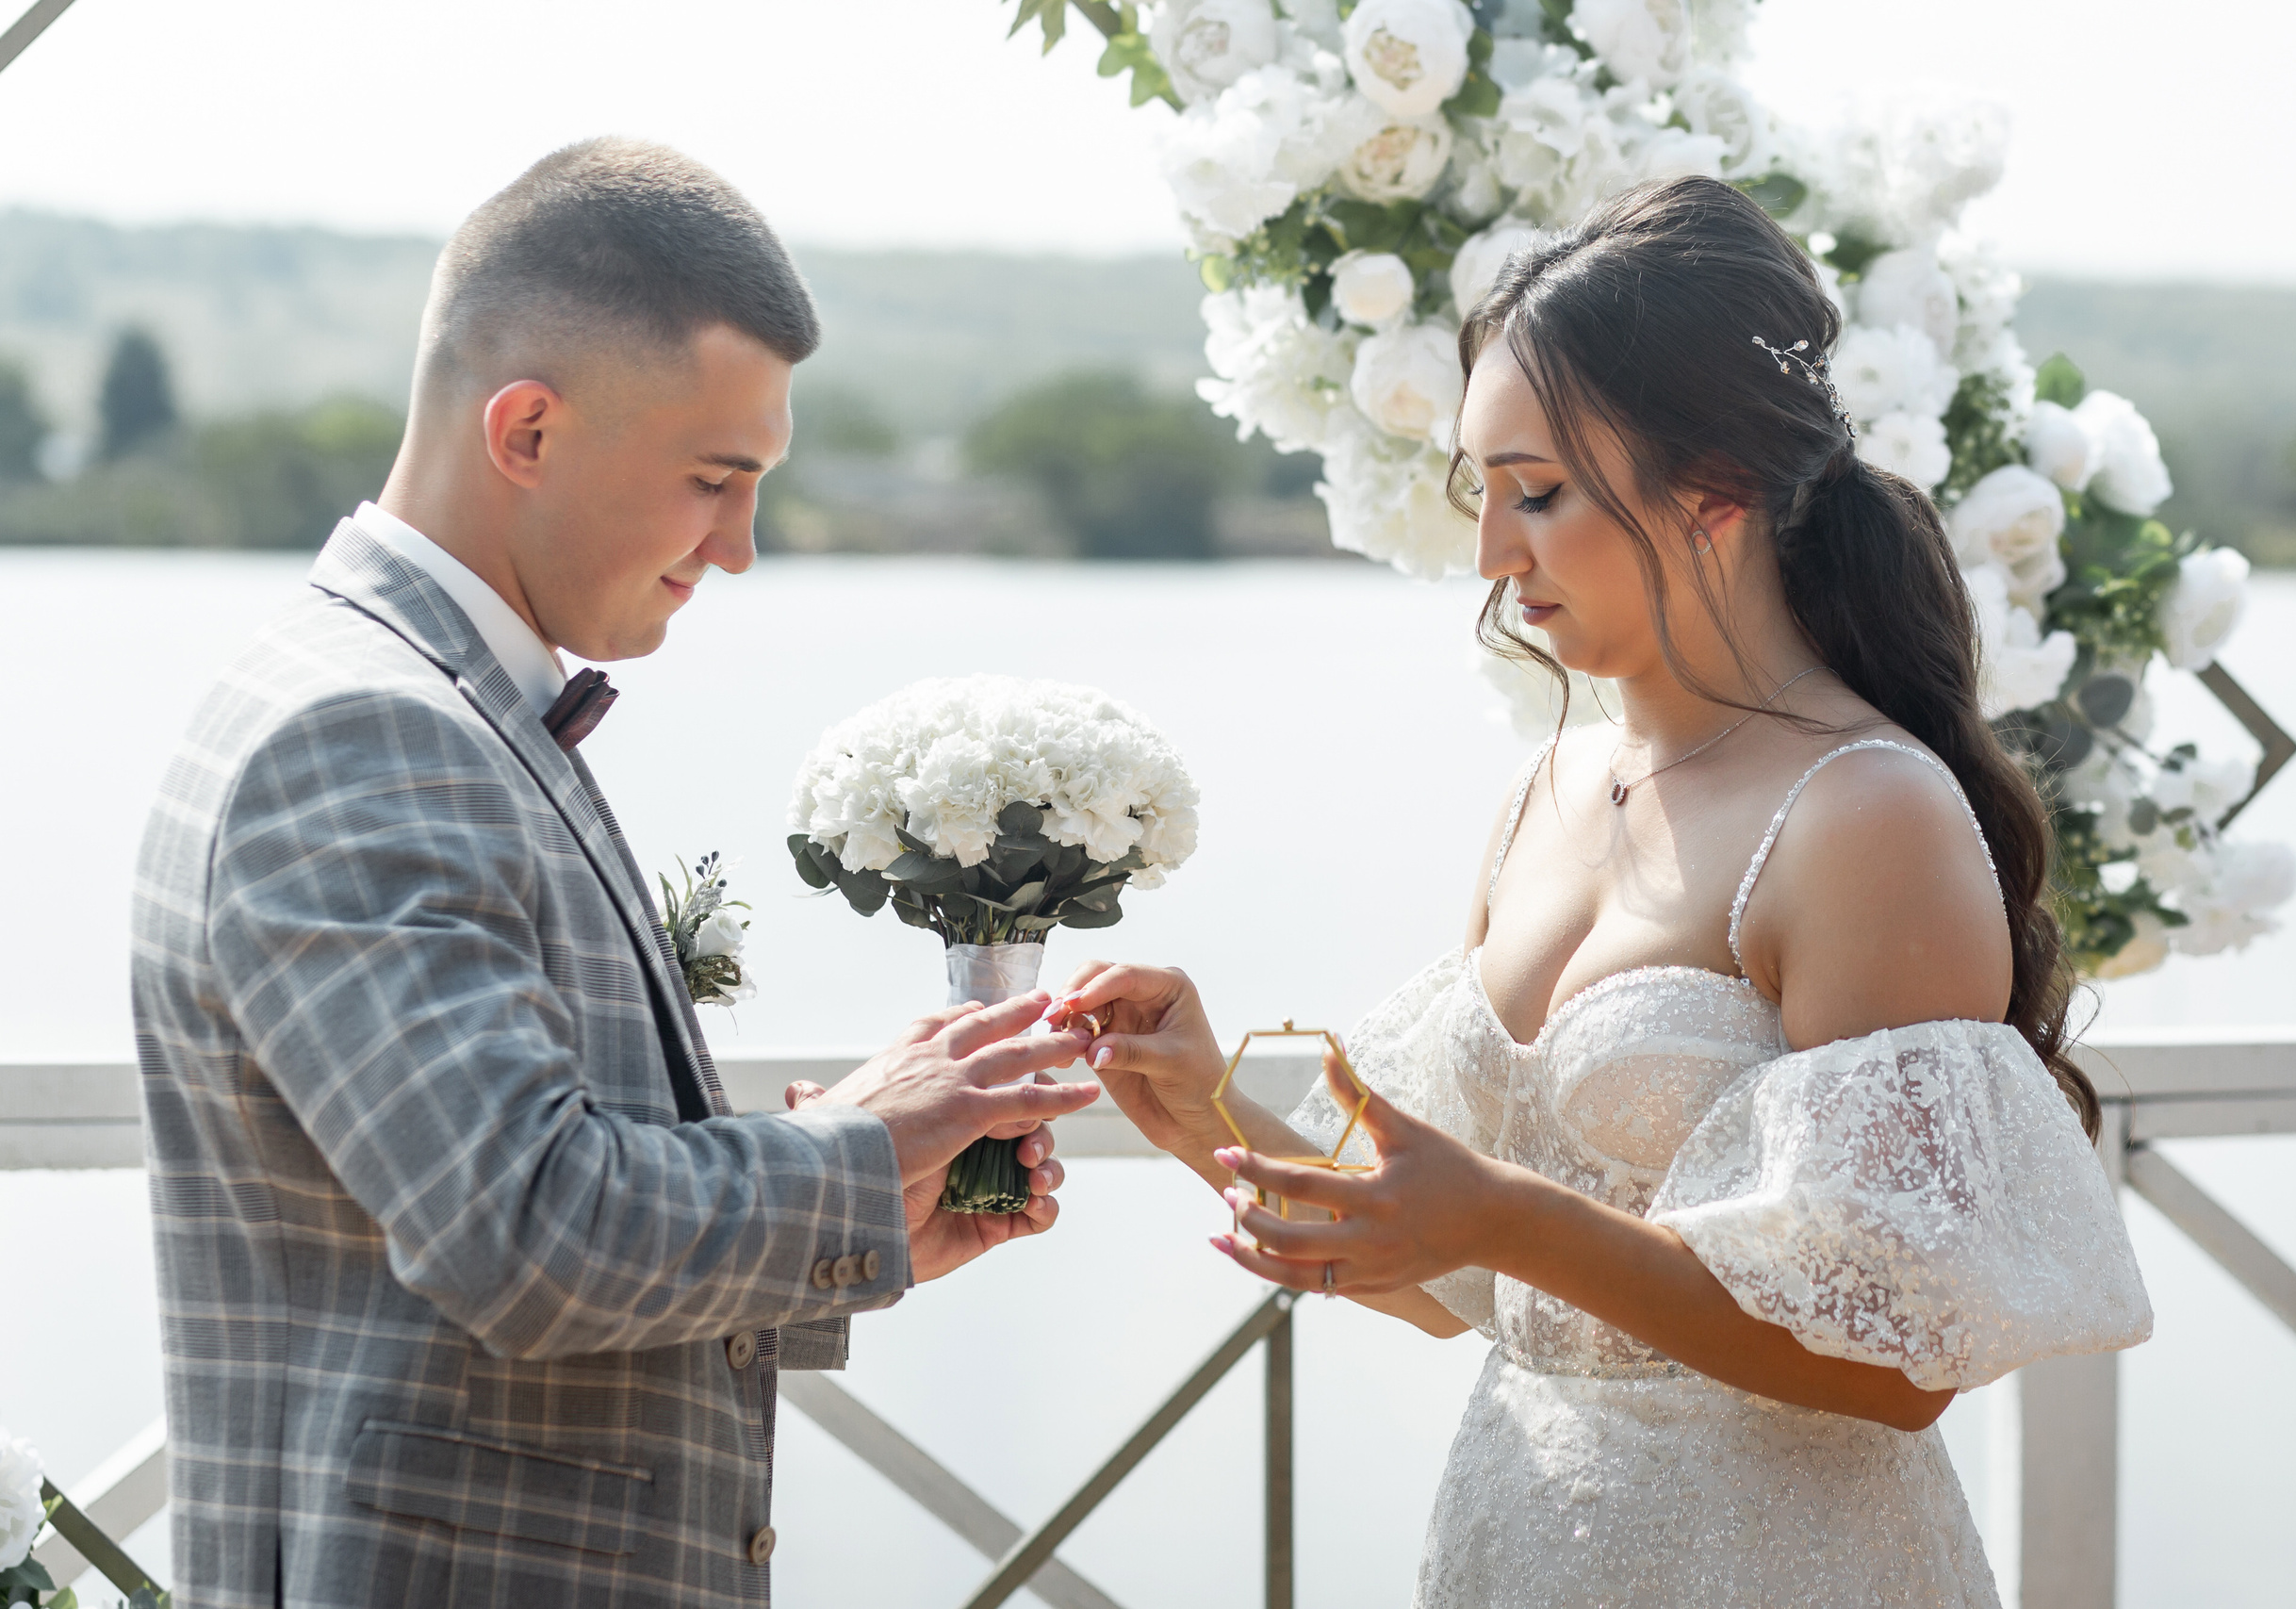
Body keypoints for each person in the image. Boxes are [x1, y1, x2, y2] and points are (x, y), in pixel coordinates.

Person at [1049, 177, 2153, 1607]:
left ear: (1718, 488)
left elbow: (1893, 1368)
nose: (1497, 555)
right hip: (1516, 1544)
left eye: (1542, 494)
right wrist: (1208, 1107)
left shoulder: (1867, 815)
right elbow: (1446, 1281)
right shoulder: (1547, 791)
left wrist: (1508, 1220)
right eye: (1485, 493)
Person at [129, 138, 1099, 1609]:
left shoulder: (425, 700)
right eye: (717, 480)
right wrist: (852, 1150)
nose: (744, 547)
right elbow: (524, 1232)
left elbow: (485, 1235)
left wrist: (868, 1202)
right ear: (524, 430)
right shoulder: (363, 735)